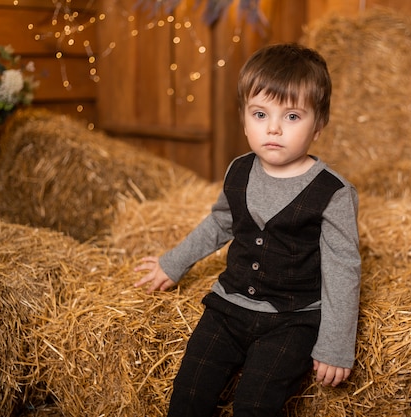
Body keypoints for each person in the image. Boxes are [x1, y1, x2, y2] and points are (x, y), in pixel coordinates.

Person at [134, 42, 361, 417]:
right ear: (243, 117)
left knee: (255, 404)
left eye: (291, 117)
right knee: (188, 393)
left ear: (318, 125)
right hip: (229, 307)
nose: (273, 128)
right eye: (260, 114)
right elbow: (220, 223)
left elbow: (342, 269)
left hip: (293, 318)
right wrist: (172, 263)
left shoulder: (333, 193)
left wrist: (335, 345)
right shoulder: (239, 170)